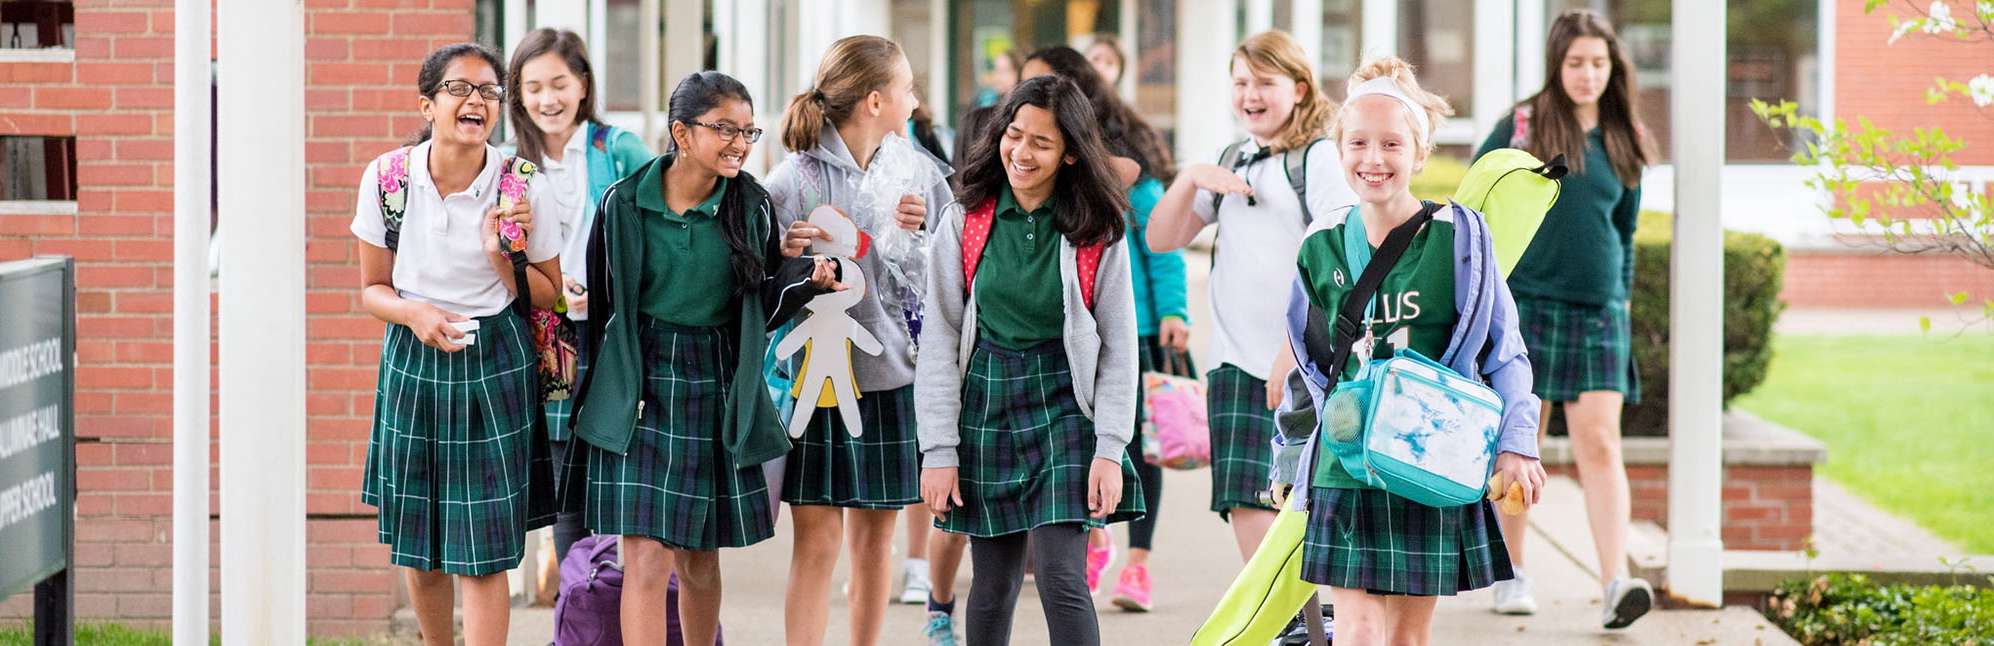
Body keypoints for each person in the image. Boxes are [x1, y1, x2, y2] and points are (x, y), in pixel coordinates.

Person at [1269, 56, 1545, 646]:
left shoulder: (1461, 239)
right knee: (1358, 631)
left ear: (1420, 154)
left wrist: (1517, 444)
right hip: (1344, 461)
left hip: (1431, 458)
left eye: (1392, 144)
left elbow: (1505, 353)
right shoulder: (1319, 246)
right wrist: (1289, 460)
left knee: (1405, 638)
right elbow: (1310, 369)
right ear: (1339, 150)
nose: (1374, 158)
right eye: (1358, 143)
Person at [568, 70, 844, 645]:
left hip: (717, 378)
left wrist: (805, 279)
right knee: (645, 555)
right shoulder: (623, 203)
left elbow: (758, 308)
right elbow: (605, 307)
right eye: (724, 129)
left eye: (748, 131)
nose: (740, 143)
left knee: (698, 557)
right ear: (682, 133)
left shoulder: (752, 205)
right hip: (640, 379)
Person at [916, 74, 1146, 646]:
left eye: (1041, 143)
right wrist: (939, 450)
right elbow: (939, 340)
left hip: (1066, 403)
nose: (1021, 152)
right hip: (987, 399)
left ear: (1070, 153)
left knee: (1061, 577)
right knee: (992, 584)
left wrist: (1110, 449)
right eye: (1014, 135)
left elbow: (1120, 349)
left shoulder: (1098, 230)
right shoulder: (965, 220)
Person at [353, 42, 559, 646]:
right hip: (412, 358)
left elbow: (549, 296)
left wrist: (501, 256)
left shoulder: (523, 185)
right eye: (460, 89)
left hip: (496, 358)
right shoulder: (388, 178)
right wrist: (412, 312)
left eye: (490, 91)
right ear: (428, 104)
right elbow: (372, 289)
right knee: (418, 548)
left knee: (485, 552)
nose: (477, 101)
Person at [765, 34, 954, 646]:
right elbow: (759, 287)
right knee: (817, 543)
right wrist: (788, 258)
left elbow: (949, 275)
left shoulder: (917, 172)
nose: (915, 100)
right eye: (907, 89)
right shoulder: (791, 180)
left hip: (895, 377)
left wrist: (921, 234)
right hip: (816, 383)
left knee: (877, 543)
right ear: (876, 101)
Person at [1145, 29, 1355, 565]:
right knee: (1245, 502)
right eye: (1241, 83)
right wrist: (1191, 179)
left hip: (1301, 366)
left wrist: (1293, 349)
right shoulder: (1234, 158)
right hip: (1234, 365)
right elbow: (1161, 237)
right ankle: (1287, 612)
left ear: (1300, 89)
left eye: (1265, 83)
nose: (1250, 95)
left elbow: (1339, 260)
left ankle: (1310, 609)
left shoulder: (1318, 159)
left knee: (1302, 506)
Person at [1477, 8, 1656, 628]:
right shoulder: (1523, 125)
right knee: (1519, 444)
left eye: (1598, 63)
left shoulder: (1625, 134)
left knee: (1601, 444)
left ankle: (1615, 583)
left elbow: (1625, 231)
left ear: (1613, 68)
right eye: (1576, 63)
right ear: (1557, 65)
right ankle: (1512, 572)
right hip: (1525, 307)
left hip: (1601, 312)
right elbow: (1477, 202)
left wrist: (1621, 298)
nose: (1588, 75)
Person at [1020, 45, 1191, 612]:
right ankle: (1094, 542)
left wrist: (1174, 313)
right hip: (1068, 331)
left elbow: (1161, 248)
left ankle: (1137, 565)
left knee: (1138, 446)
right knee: (1080, 440)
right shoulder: (1035, 161)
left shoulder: (1128, 161)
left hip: (1131, 330)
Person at [504, 26, 653, 565]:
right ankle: (580, 599)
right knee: (565, 476)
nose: (549, 99)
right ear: (518, 95)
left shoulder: (619, 150)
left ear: (583, 85)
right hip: (545, 334)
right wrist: (549, 285)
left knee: (619, 466)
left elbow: (660, 231)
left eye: (560, 84)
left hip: (613, 332)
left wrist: (608, 283)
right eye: (534, 87)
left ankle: (621, 598)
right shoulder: (507, 165)